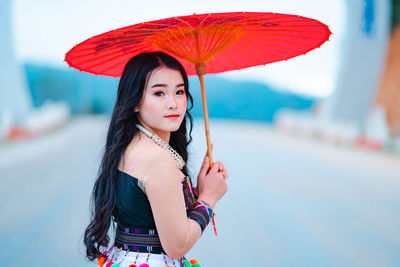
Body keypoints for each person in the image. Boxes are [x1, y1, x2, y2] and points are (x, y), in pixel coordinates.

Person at [83, 52, 228, 267]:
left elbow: (145, 211)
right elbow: (177, 246)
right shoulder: (157, 158)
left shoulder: (128, 145)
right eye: (159, 93)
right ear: (134, 101)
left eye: (179, 91)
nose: (173, 103)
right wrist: (208, 199)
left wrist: (196, 193)